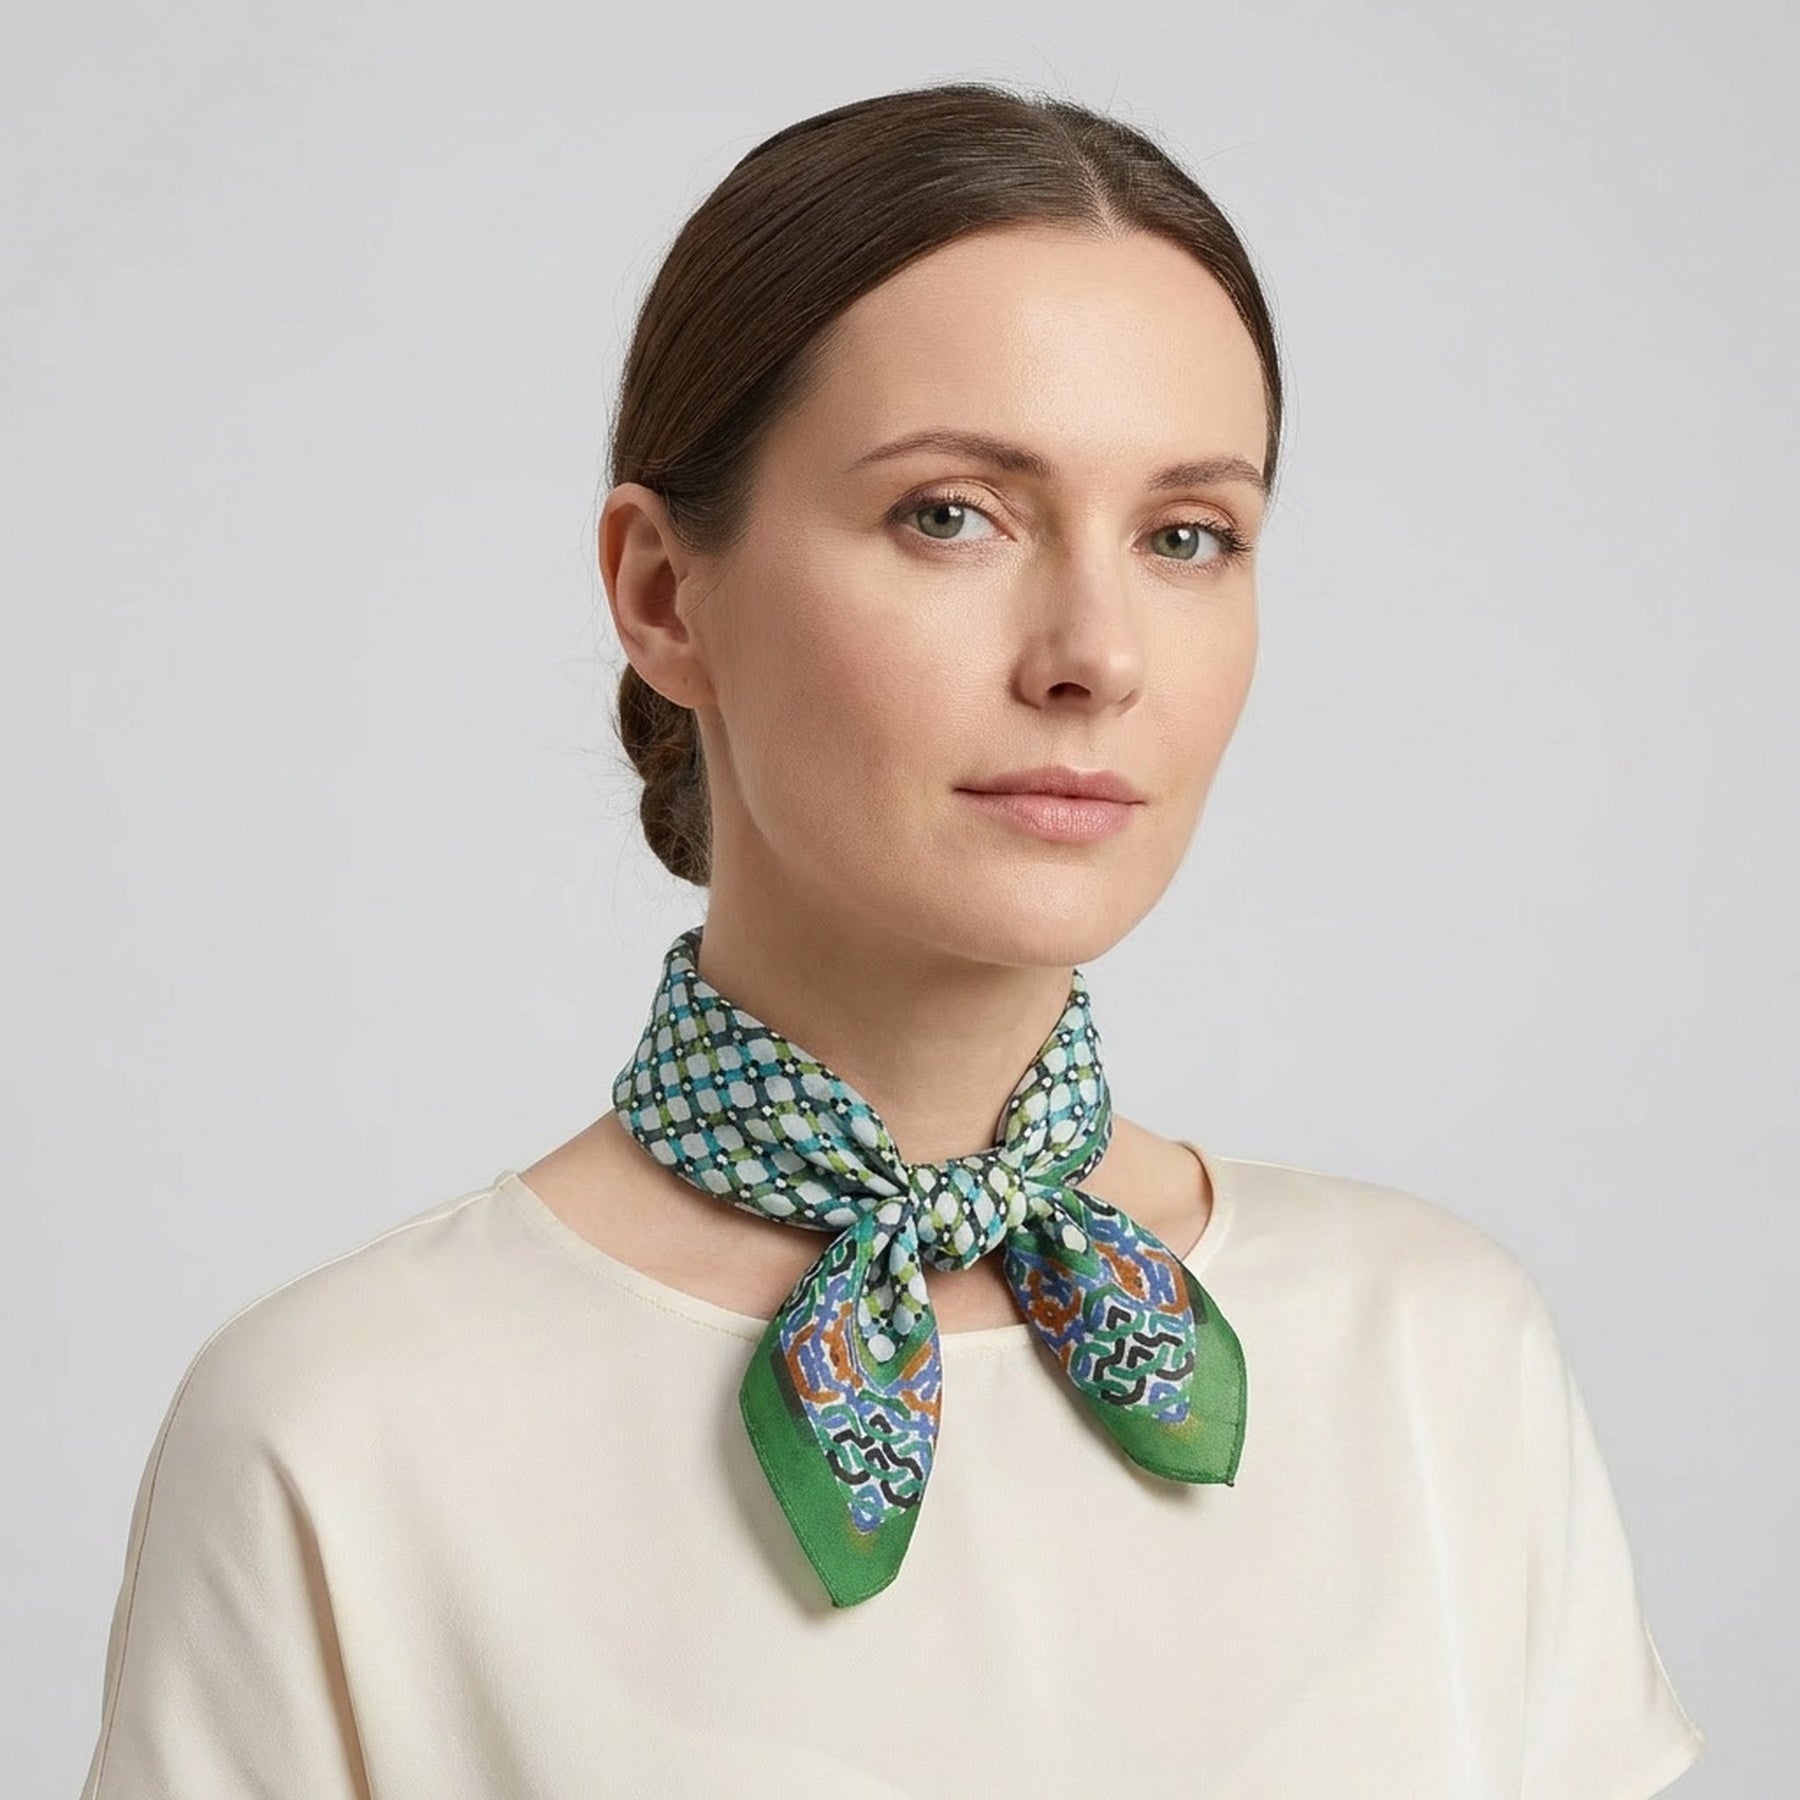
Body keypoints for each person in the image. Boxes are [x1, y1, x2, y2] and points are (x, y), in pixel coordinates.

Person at [77, 80, 1706, 1798]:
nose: (1097, 651)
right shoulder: (343, 1436)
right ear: (661, 593)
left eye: (1186, 536)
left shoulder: (1435, 1357)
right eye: (953, 513)